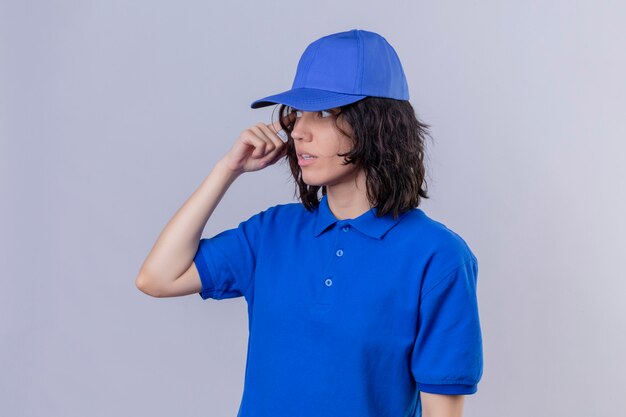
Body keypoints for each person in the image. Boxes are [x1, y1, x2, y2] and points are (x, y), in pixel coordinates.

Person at [135, 28, 483, 417]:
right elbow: (157, 278)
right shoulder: (271, 234)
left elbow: (443, 411)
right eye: (298, 113)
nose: (299, 131)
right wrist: (226, 171)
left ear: (377, 125)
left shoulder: (438, 257)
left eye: (323, 113)